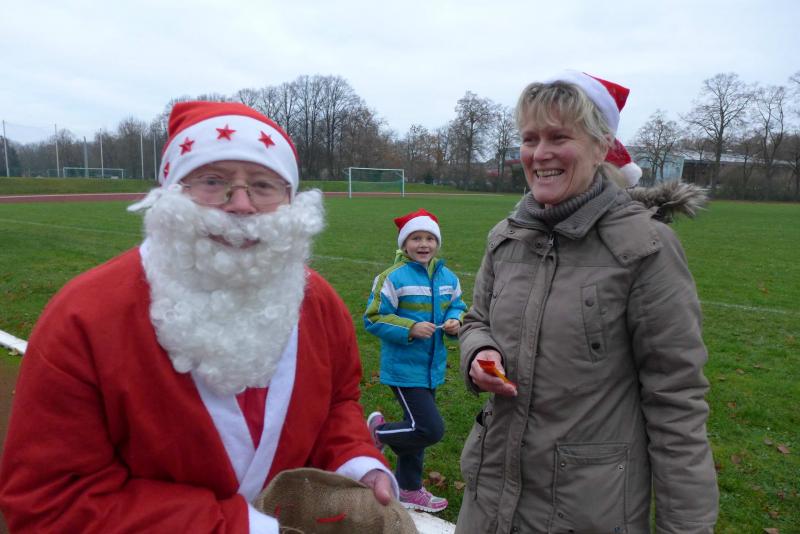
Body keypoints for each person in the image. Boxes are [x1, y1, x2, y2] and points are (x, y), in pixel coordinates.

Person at [0, 101, 396, 533]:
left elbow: (337, 402)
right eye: (213, 181)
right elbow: (51, 503)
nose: (241, 205)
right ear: (172, 191)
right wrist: (240, 527)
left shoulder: (318, 301)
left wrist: (355, 462)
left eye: (263, 185)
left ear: (290, 200)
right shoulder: (85, 316)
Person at [456, 71, 719, 533]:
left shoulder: (644, 247)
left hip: (584, 513)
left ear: (601, 147)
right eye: (530, 138)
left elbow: (676, 402)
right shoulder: (506, 238)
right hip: (488, 503)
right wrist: (479, 353)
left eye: (559, 137)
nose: (540, 153)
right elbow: (476, 320)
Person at [363, 209, 468, 513]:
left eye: (430, 238)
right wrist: (409, 328)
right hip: (403, 368)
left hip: (431, 367)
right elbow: (373, 318)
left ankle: (408, 488)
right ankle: (377, 435)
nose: (423, 244)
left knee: (416, 429)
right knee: (429, 429)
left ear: (437, 242)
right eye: (416, 238)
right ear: (404, 243)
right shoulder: (392, 278)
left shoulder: (448, 277)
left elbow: (458, 306)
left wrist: (455, 321)